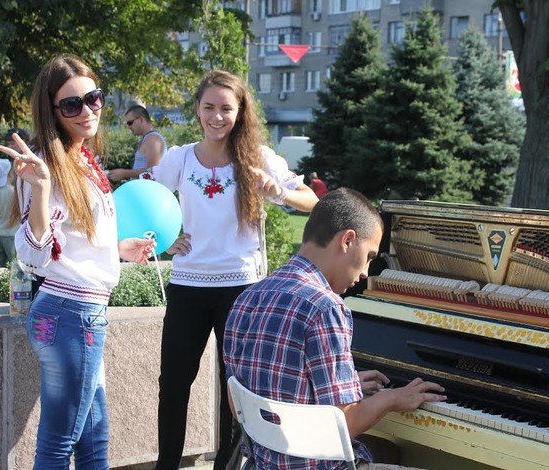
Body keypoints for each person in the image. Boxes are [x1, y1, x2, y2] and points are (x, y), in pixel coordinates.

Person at [0, 54, 155, 469]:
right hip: (69, 314)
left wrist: (120, 248)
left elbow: (76, 240)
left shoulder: (81, 158)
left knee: (94, 439)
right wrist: (41, 190)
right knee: (60, 443)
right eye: (72, 104)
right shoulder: (43, 166)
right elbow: (34, 254)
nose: (87, 110)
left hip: (79, 313)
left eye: (93, 98)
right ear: (53, 110)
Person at [148, 70, 319, 470]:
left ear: (240, 112)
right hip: (187, 287)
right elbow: (145, 204)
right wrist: (165, 240)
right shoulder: (179, 158)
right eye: (209, 107)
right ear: (197, 110)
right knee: (173, 386)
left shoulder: (257, 158)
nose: (217, 116)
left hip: (242, 290)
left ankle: (227, 465)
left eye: (226, 108)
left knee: (235, 391)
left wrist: (277, 191)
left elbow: (312, 201)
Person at [224, 189, 446, 469]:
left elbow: (238, 404)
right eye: (368, 256)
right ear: (348, 240)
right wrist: (392, 398)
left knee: (386, 451)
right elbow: (346, 423)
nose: (366, 272)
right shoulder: (325, 308)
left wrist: (343, 385)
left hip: (262, 464)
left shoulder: (248, 298)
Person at [107, 105, 166, 182]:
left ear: (141, 119)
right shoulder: (148, 138)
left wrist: (125, 173)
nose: (128, 126)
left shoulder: (153, 139)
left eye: (130, 122)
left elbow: (153, 172)